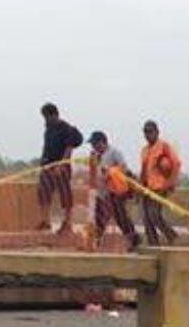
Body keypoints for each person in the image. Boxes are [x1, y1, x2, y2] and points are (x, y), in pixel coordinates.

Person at [36, 102, 85, 235]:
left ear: (54, 115)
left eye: (47, 117)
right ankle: (45, 222)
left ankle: (67, 223)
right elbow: (47, 147)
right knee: (43, 193)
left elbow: (69, 148)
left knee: (65, 195)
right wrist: (43, 162)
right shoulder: (48, 128)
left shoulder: (66, 128)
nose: (46, 120)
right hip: (47, 166)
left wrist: (62, 165)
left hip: (61, 167)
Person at [86, 130, 139, 251]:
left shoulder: (114, 152)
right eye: (92, 144)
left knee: (121, 217)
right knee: (98, 218)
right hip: (101, 192)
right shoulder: (96, 156)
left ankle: (133, 239)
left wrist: (110, 173)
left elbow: (123, 167)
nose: (93, 146)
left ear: (102, 142)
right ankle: (95, 242)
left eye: (95, 144)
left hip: (115, 192)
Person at [138, 120, 181, 246]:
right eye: (145, 132)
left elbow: (176, 164)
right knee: (146, 217)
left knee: (154, 214)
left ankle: (171, 235)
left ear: (157, 132)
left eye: (150, 132)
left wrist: (170, 183)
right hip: (147, 187)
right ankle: (153, 243)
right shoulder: (145, 150)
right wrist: (140, 187)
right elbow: (144, 170)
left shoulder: (164, 146)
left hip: (160, 187)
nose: (147, 135)